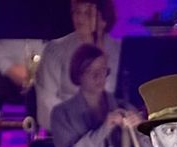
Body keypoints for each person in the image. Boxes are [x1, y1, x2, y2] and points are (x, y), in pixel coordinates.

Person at [33, 0, 119, 131]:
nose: (80, 18)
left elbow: (118, 97)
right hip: (68, 131)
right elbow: (46, 101)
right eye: (76, 12)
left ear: (103, 18)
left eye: (87, 13)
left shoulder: (118, 51)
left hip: (112, 130)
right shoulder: (55, 49)